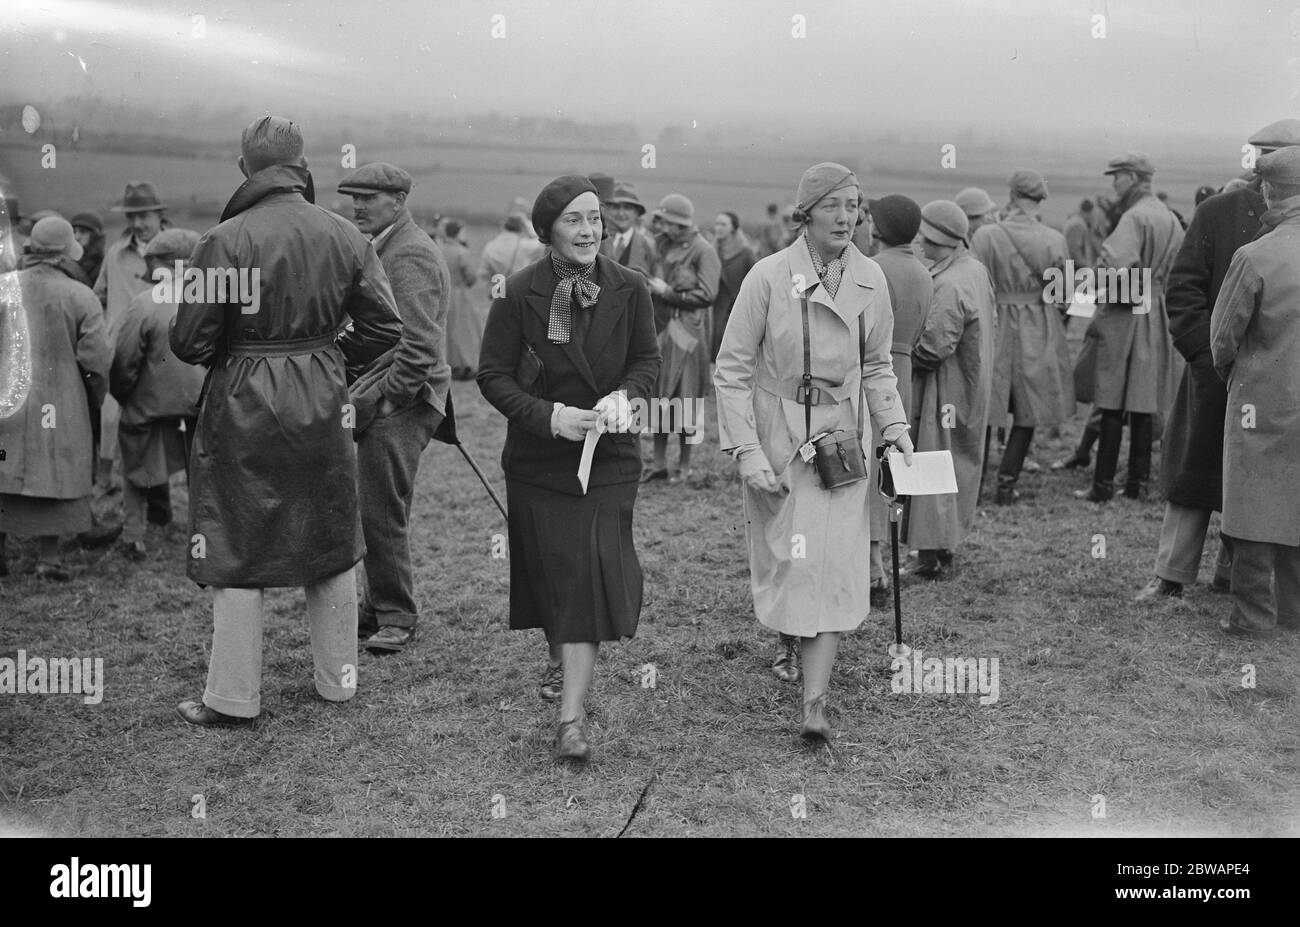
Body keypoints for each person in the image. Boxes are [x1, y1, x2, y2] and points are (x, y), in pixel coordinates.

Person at [170, 116, 403, 727]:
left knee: (236, 545)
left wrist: (247, 350)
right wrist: (325, 357)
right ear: (301, 166)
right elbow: (385, 328)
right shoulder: (346, 236)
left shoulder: (222, 240)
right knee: (329, 539)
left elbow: (190, 343)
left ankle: (233, 699)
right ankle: (338, 682)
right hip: (324, 402)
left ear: (246, 167)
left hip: (243, 404)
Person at [715, 162, 912, 739]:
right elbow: (731, 370)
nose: (846, 217)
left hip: (845, 443)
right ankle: (790, 652)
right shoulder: (768, 277)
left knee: (833, 564)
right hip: (781, 439)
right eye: (832, 205)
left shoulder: (872, 279)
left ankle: (815, 705)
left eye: (854, 205)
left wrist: (895, 428)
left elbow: (878, 366)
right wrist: (747, 451)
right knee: (790, 560)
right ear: (805, 213)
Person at [477, 175, 660, 762]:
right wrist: (548, 417)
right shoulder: (517, 292)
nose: (589, 230)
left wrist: (625, 397)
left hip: (608, 461)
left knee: (584, 578)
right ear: (548, 230)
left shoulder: (630, 287)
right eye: (575, 220)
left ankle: (571, 721)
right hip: (540, 462)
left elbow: (647, 360)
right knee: (557, 575)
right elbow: (492, 375)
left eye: (596, 218)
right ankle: (560, 652)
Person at [1134, 119, 1300, 602]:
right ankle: (1171, 576)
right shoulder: (1218, 211)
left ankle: (1234, 577)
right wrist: (1208, 359)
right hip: (1213, 373)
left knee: (1261, 484)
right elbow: (1183, 289)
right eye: (1262, 157)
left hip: (1277, 381)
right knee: (1193, 475)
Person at [338, 161, 453, 654]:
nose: (358, 206)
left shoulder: (409, 254)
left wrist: (388, 400)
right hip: (385, 393)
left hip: (407, 399)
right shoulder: (381, 246)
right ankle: (375, 606)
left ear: (399, 202)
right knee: (373, 505)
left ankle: (397, 616)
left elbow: (420, 345)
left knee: (382, 511)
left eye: (370, 198)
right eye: (354, 197)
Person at [1209, 145, 1300, 637]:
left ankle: (1251, 617)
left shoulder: (1255, 255)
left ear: (1269, 189)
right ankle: (1294, 616)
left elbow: (1222, 338)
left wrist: (1239, 377)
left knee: (1252, 505)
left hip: (1260, 400)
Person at [0, 217, 111, 580]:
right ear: (67, 253)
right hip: (63, 400)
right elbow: (95, 359)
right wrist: (96, 395)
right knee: (56, 473)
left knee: (5, 470)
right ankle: (49, 559)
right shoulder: (80, 295)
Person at [1074, 153, 1184, 503]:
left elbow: (1114, 266)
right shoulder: (1169, 217)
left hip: (1126, 315)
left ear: (1133, 177)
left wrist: (1082, 290)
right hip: (1156, 314)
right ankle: (1137, 485)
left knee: (1109, 398)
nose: (1113, 184)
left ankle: (1101, 486)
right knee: (1142, 400)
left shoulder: (1133, 218)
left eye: (1117, 177)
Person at [903, 201, 996, 578]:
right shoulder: (973, 270)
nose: (921, 246)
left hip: (943, 389)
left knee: (931, 462)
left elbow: (932, 348)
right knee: (957, 466)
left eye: (926, 239)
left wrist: (896, 352)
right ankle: (943, 547)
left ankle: (928, 557)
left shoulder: (948, 284)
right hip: (969, 386)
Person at [971, 170, 1074, 504]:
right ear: (1040, 200)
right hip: (1036, 327)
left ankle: (974, 485)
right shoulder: (1054, 239)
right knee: (1029, 410)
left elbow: (974, 283)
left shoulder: (986, 236)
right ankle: (1006, 485)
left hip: (995, 324)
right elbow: (1065, 294)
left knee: (987, 405)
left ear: (1012, 196)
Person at [109, 228, 205, 562]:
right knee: (203, 468)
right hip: (200, 401)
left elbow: (124, 360)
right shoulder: (213, 299)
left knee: (135, 459)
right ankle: (203, 535)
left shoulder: (144, 303)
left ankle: (134, 535)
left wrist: (124, 396)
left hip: (149, 404)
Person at [863, 194, 932, 605]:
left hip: (873, 375)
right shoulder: (922, 272)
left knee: (866, 473)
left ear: (880, 228)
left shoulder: (872, 269)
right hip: (901, 373)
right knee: (885, 472)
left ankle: (873, 572)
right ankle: (877, 565)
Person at [92, 181, 171, 498]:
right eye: (132, 217)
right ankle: (105, 477)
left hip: (163, 349)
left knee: (156, 419)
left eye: (144, 216)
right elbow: (98, 295)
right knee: (110, 412)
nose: (138, 224)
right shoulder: (116, 254)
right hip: (120, 348)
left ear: (158, 214)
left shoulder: (179, 252)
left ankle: (157, 492)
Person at [643, 193, 720, 483]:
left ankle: (684, 466)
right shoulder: (660, 245)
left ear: (682, 224)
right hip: (661, 329)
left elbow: (708, 294)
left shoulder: (703, 250)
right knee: (659, 397)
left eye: (670, 223)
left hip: (688, 334)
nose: (665, 228)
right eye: (662, 222)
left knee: (686, 400)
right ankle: (659, 463)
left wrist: (668, 293)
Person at [709, 210, 756, 361]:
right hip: (714, 308)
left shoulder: (746, 253)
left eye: (723, 224)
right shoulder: (711, 251)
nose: (719, 228)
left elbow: (756, 281)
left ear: (733, 228)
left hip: (736, 309)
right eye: (717, 224)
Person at [441, 219, 482, 380]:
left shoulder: (438, 249)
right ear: (458, 233)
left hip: (443, 294)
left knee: (447, 331)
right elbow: (471, 276)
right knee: (465, 331)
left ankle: (449, 363)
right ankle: (467, 364)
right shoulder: (461, 252)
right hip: (459, 294)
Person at [478, 203, 545, 301]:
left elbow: (483, 273)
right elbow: (542, 241)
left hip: (499, 293)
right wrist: (526, 223)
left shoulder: (490, 246)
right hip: (520, 290)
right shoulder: (525, 245)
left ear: (504, 226)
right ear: (522, 228)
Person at [1062, 199, 1102, 268]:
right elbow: (1074, 250)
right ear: (1090, 213)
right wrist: (1085, 267)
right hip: (1074, 269)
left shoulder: (1075, 220)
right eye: (1094, 215)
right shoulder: (1078, 225)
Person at [71, 212, 105, 285]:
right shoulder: (64, 260)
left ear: (94, 236)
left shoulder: (103, 265)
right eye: (74, 232)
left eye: (82, 232)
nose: (76, 237)